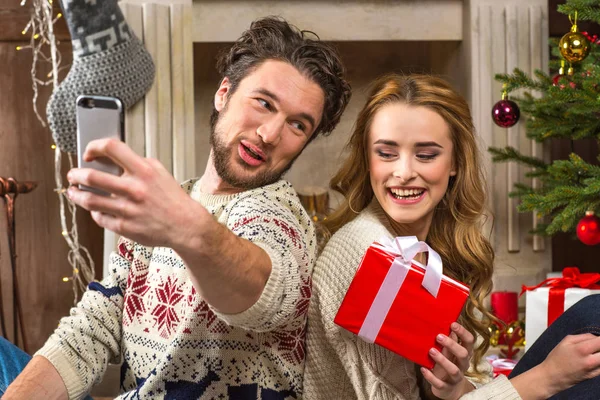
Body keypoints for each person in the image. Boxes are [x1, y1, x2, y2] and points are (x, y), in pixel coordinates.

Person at [1, 16, 351, 399]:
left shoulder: (282, 219)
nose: (270, 135)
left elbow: (257, 291)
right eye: (264, 103)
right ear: (224, 94)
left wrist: (185, 228)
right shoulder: (168, 203)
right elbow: (88, 333)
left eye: (298, 126)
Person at [303, 73, 600, 400]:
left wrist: (454, 387)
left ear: (455, 162)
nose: (403, 173)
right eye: (386, 153)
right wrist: (547, 378)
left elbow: (465, 387)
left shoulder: (435, 248)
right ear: (367, 159)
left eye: (426, 155)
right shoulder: (364, 253)